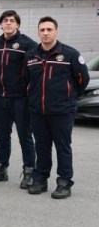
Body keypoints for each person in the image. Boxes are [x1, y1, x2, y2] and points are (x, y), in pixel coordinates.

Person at [25, 16, 89, 199]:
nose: (45, 33)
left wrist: (68, 97)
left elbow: (82, 80)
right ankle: (40, 179)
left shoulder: (70, 54)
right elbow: (26, 80)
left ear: (56, 32)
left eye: (49, 29)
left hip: (62, 111)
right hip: (38, 110)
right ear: (38, 32)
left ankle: (64, 182)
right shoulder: (31, 56)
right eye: (42, 30)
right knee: (42, 146)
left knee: (62, 147)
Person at [0, 10, 37, 187]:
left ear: (18, 24)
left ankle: (30, 171)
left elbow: (34, 71)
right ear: (1, 24)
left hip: (20, 98)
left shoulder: (28, 44)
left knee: (25, 136)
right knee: (2, 136)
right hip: (1, 97)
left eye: (12, 21)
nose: (8, 23)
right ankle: (1, 168)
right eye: (5, 20)